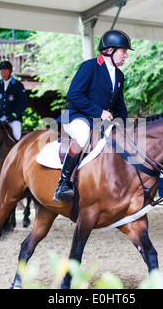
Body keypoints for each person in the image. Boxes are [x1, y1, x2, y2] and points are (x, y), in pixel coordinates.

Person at [53, 29, 132, 203]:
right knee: (82, 135)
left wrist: (125, 126)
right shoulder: (89, 66)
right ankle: (63, 184)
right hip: (77, 117)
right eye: (124, 51)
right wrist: (99, 112)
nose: (126, 56)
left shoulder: (119, 75)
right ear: (110, 50)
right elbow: (74, 94)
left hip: (99, 122)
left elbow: (119, 104)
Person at [0, 60, 28, 141]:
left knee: (17, 136)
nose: (3, 73)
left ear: (10, 71)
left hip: (13, 119)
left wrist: (14, 115)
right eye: (1, 71)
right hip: (0, 117)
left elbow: (24, 103)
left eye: (5, 71)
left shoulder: (18, 85)